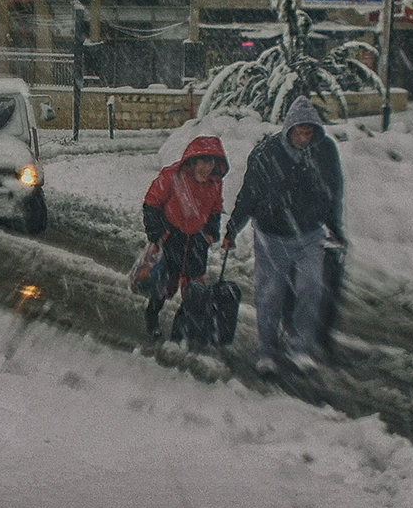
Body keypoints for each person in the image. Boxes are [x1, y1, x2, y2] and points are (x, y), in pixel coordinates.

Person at [222, 95, 346, 375]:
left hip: (309, 234)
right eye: (299, 132)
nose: (303, 138)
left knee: (311, 288)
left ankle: (300, 348)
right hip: (272, 236)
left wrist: (335, 227)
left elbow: (332, 192)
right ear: (288, 129)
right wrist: (232, 228)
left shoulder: (323, 151)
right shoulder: (267, 153)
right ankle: (267, 352)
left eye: (309, 132)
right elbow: (249, 194)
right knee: (270, 295)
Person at [142, 136, 229, 339]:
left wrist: (209, 234)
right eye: (202, 161)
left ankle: (180, 330)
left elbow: (216, 209)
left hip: (197, 242)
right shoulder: (171, 176)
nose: (206, 168)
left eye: (211, 162)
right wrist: (158, 234)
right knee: (163, 286)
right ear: (192, 160)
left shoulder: (215, 183)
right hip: (172, 239)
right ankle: (152, 315)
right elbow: (151, 203)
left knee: (194, 291)